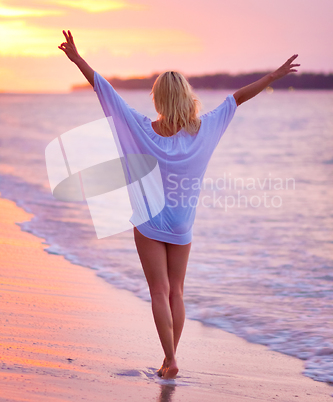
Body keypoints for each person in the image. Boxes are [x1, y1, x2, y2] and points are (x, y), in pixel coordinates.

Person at [58, 30, 300, 380]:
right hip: (181, 226)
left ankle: (169, 358)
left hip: (149, 222)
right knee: (177, 291)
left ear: (158, 99)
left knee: (159, 291)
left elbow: (106, 92)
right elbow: (238, 98)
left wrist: (79, 59)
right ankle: (171, 357)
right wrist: (272, 77)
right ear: (187, 97)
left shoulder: (142, 128)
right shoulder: (205, 129)